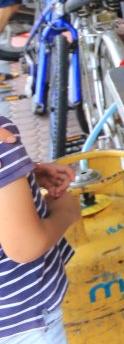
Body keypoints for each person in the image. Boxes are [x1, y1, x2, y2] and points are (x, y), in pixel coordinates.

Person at [0, 115, 79, 343]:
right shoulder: (2, 139)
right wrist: (66, 212)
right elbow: (25, 245)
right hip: (23, 318)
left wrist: (26, 174)